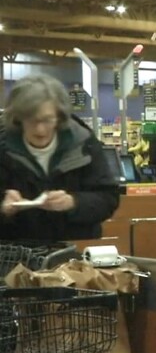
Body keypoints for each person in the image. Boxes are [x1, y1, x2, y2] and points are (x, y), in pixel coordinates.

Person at [0, 75, 120, 241]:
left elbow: (108, 198)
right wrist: (3, 205)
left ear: (60, 116)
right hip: (16, 255)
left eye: (47, 120)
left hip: (75, 253)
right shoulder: (3, 147)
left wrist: (73, 202)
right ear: (18, 118)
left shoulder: (84, 144)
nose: (40, 130)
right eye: (31, 121)